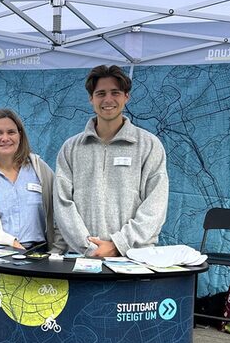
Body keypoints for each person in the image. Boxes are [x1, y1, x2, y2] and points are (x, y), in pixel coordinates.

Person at [54, 64, 168, 257]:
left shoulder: (149, 146)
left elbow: (155, 205)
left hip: (134, 259)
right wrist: (91, 248)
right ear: (91, 98)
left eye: (115, 92)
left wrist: (118, 245)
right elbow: (62, 203)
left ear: (126, 97)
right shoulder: (70, 148)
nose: (108, 99)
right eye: (101, 93)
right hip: (84, 257)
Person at [0, 108, 64, 252]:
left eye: (11, 132)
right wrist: (9, 241)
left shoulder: (39, 168)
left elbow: (63, 214)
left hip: (40, 257)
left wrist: (56, 252)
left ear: (20, 135)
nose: (5, 138)